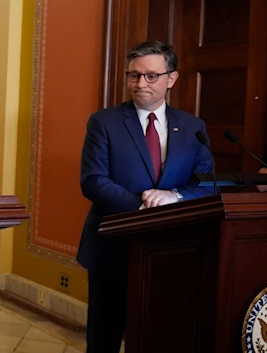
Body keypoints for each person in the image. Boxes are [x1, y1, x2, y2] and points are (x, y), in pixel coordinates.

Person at [77, 41, 214, 353]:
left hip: (172, 250)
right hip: (113, 245)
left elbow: (207, 184)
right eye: (133, 75)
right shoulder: (104, 122)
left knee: (161, 333)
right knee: (104, 337)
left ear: (171, 79)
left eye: (151, 76)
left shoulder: (192, 127)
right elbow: (93, 181)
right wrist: (143, 209)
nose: (140, 84)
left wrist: (174, 196)